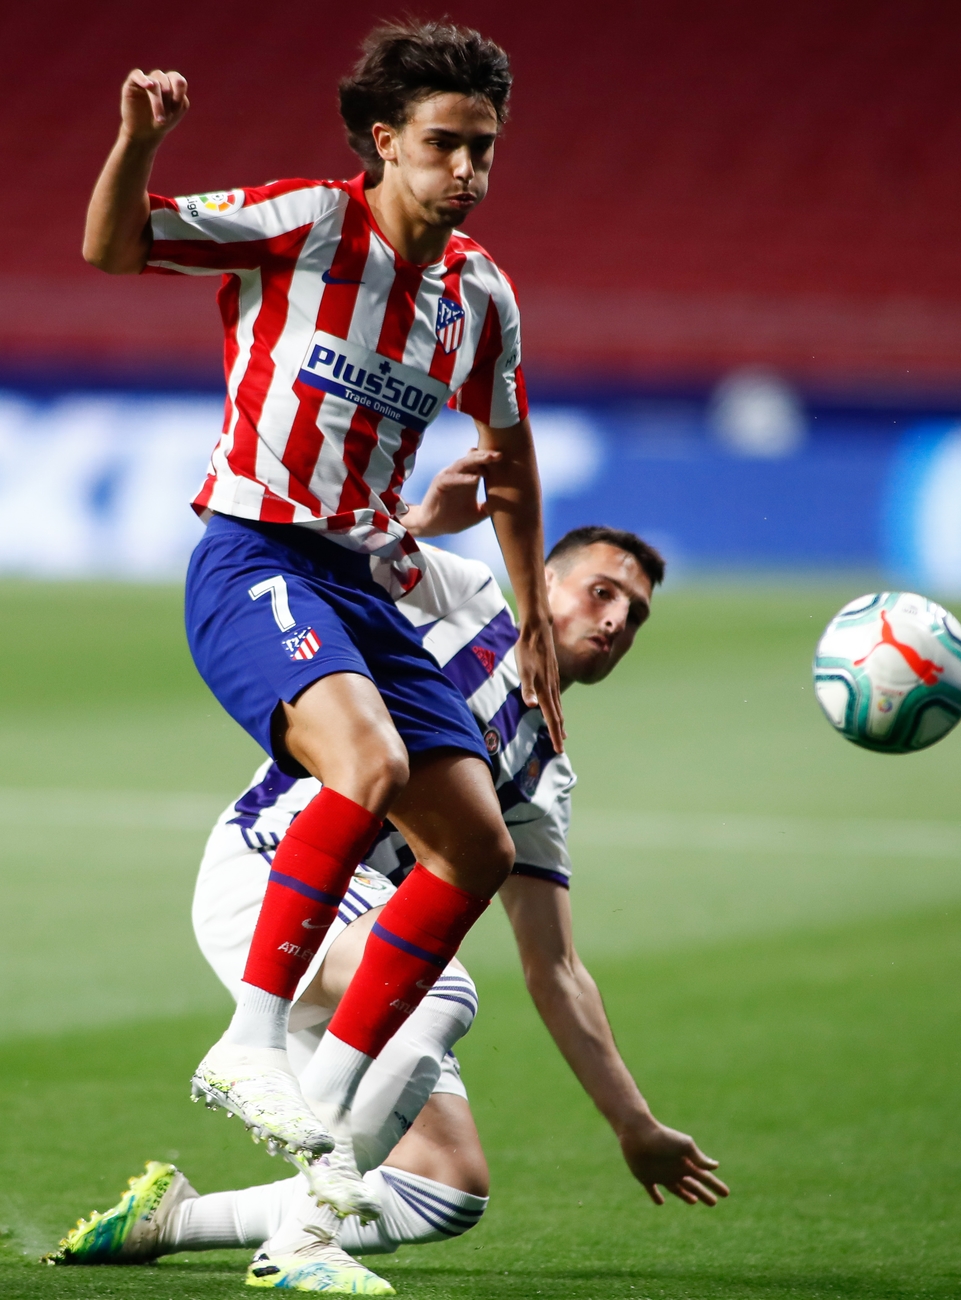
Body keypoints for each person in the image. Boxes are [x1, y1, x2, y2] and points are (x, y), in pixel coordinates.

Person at [81, 19, 566, 1219]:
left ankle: (328, 1107)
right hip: (253, 551)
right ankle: (250, 1037)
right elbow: (113, 249)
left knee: (475, 846)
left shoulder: (480, 295)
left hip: (361, 575)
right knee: (367, 763)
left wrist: (537, 616)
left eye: (484, 149)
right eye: (445, 145)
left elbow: (506, 455)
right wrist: (137, 144)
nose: (468, 171)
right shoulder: (304, 223)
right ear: (383, 142)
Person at [44, 468, 728, 1293]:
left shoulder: (548, 774)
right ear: (540, 580)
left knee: (444, 1190)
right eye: (601, 590)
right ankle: (302, 1241)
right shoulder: (469, 596)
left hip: (377, 931)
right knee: (444, 996)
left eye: (635, 614)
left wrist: (633, 1122)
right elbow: (335, 553)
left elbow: (556, 969)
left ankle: (172, 1219)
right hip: (276, 866)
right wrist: (419, 518)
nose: (616, 618)